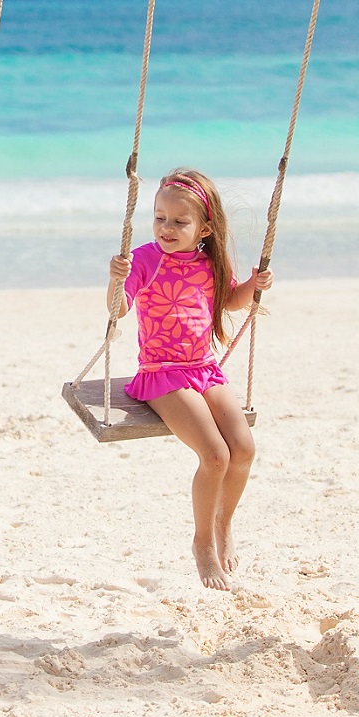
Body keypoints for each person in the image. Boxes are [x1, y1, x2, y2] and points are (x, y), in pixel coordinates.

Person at [107, 169, 274, 592]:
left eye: (179, 222)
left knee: (244, 449)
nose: (166, 228)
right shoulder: (146, 258)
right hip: (161, 374)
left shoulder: (210, 262)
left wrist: (254, 285)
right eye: (160, 218)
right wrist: (115, 280)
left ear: (204, 228)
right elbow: (119, 309)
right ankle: (202, 544)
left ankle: (223, 524)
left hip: (203, 367)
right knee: (215, 454)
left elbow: (230, 300)